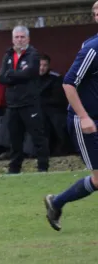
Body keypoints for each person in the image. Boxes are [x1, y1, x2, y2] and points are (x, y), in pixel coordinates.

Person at [44, 29, 98, 230]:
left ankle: (56, 202)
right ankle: (56, 202)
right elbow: (68, 83)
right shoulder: (93, 49)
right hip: (85, 121)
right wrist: (84, 117)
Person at [0, 26, 50, 173]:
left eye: (22, 37)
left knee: (38, 136)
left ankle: (43, 167)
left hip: (29, 103)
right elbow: (1, 77)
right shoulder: (8, 55)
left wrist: (11, 75)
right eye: (17, 37)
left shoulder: (33, 54)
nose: (19, 40)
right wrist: (17, 75)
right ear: (12, 39)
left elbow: (30, 73)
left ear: (28, 38)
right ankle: (14, 169)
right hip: (13, 104)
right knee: (15, 139)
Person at [38, 54, 70, 156]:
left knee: (57, 120)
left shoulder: (55, 78)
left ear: (48, 66)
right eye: (40, 65)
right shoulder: (30, 78)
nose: (42, 68)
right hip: (35, 109)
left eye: (45, 65)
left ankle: (61, 148)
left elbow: (58, 99)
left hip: (54, 109)